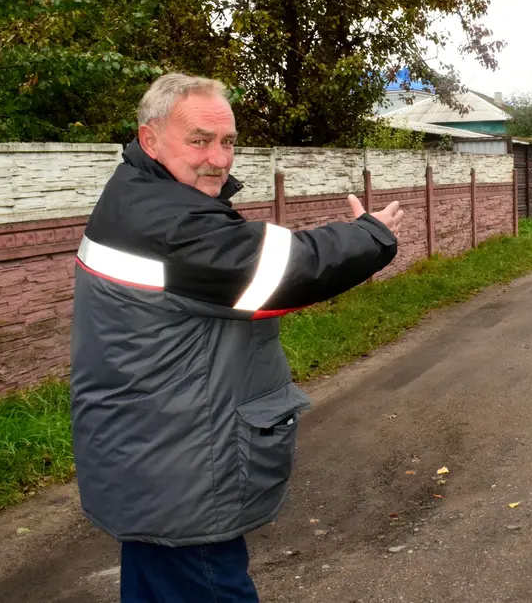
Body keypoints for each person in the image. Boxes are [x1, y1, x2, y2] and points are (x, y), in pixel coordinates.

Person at [69, 73, 403, 602]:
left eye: (227, 142)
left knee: (155, 581)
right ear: (149, 139)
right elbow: (282, 269)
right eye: (199, 140)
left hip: (149, 457)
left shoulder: (139, 195)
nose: (219, 159)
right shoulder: (168, 222)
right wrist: (371, 236)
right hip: (181, 467)